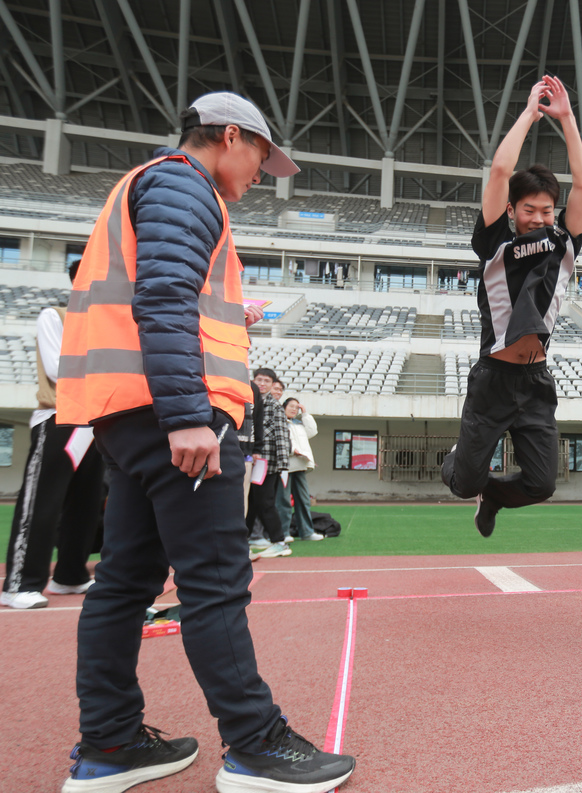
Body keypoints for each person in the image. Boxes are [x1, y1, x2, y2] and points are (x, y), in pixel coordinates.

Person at [55, 92, 354, 792]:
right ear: (228, 136)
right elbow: (162, 295)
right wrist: (189, 413)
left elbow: (159, 292)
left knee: (123, 582)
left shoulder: (155, 187)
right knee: (215, 582)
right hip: (175, 418)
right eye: (260, 156)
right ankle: (255, 744)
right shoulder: (183, 186)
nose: (263, 173)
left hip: (128, 413)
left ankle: (110, 744)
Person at [441, 75, 582, 536]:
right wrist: (530, 113)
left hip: (535, 378)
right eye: (530, 210)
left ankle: (495, 498)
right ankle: (461, 463)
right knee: (463, 483)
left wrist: (566, 120)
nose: (540, 218)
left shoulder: (564, 242)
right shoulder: (494, 242)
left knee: (542, 483)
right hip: (494, 379)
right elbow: (500, 174)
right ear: (512, 211)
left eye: (547, 210)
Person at [3, 264, 105, 609]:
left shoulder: (109, 325)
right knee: (42, 503)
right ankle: (20, 582)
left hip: (97, 421)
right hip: (59, 418)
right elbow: (56, 368)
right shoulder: (55, 316)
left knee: (86, 504)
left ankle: (71, 575)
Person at [247, 367, 292, 557]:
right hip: (254, 462)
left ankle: (279, 541)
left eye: (266, 381)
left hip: (268, 464)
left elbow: (282, 436)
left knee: (265, 503)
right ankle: (243, 541)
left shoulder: (273, 406)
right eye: (259, 380)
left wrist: (283, 465)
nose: (262, 384)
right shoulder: (252, 402)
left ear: (273, 384)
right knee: (251, 503)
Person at [278, 398, 321, 541]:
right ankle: (283, 533)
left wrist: (305, 414)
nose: (293, 409)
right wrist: (291, 451)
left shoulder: (299, 424)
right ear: (283, 407)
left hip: (300, 466)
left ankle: (307, 532)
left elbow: (313, 431)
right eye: (291, 406)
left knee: (303, 499)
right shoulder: (279, 422)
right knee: (283, 500)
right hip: (284, 467)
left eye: (296, 407)